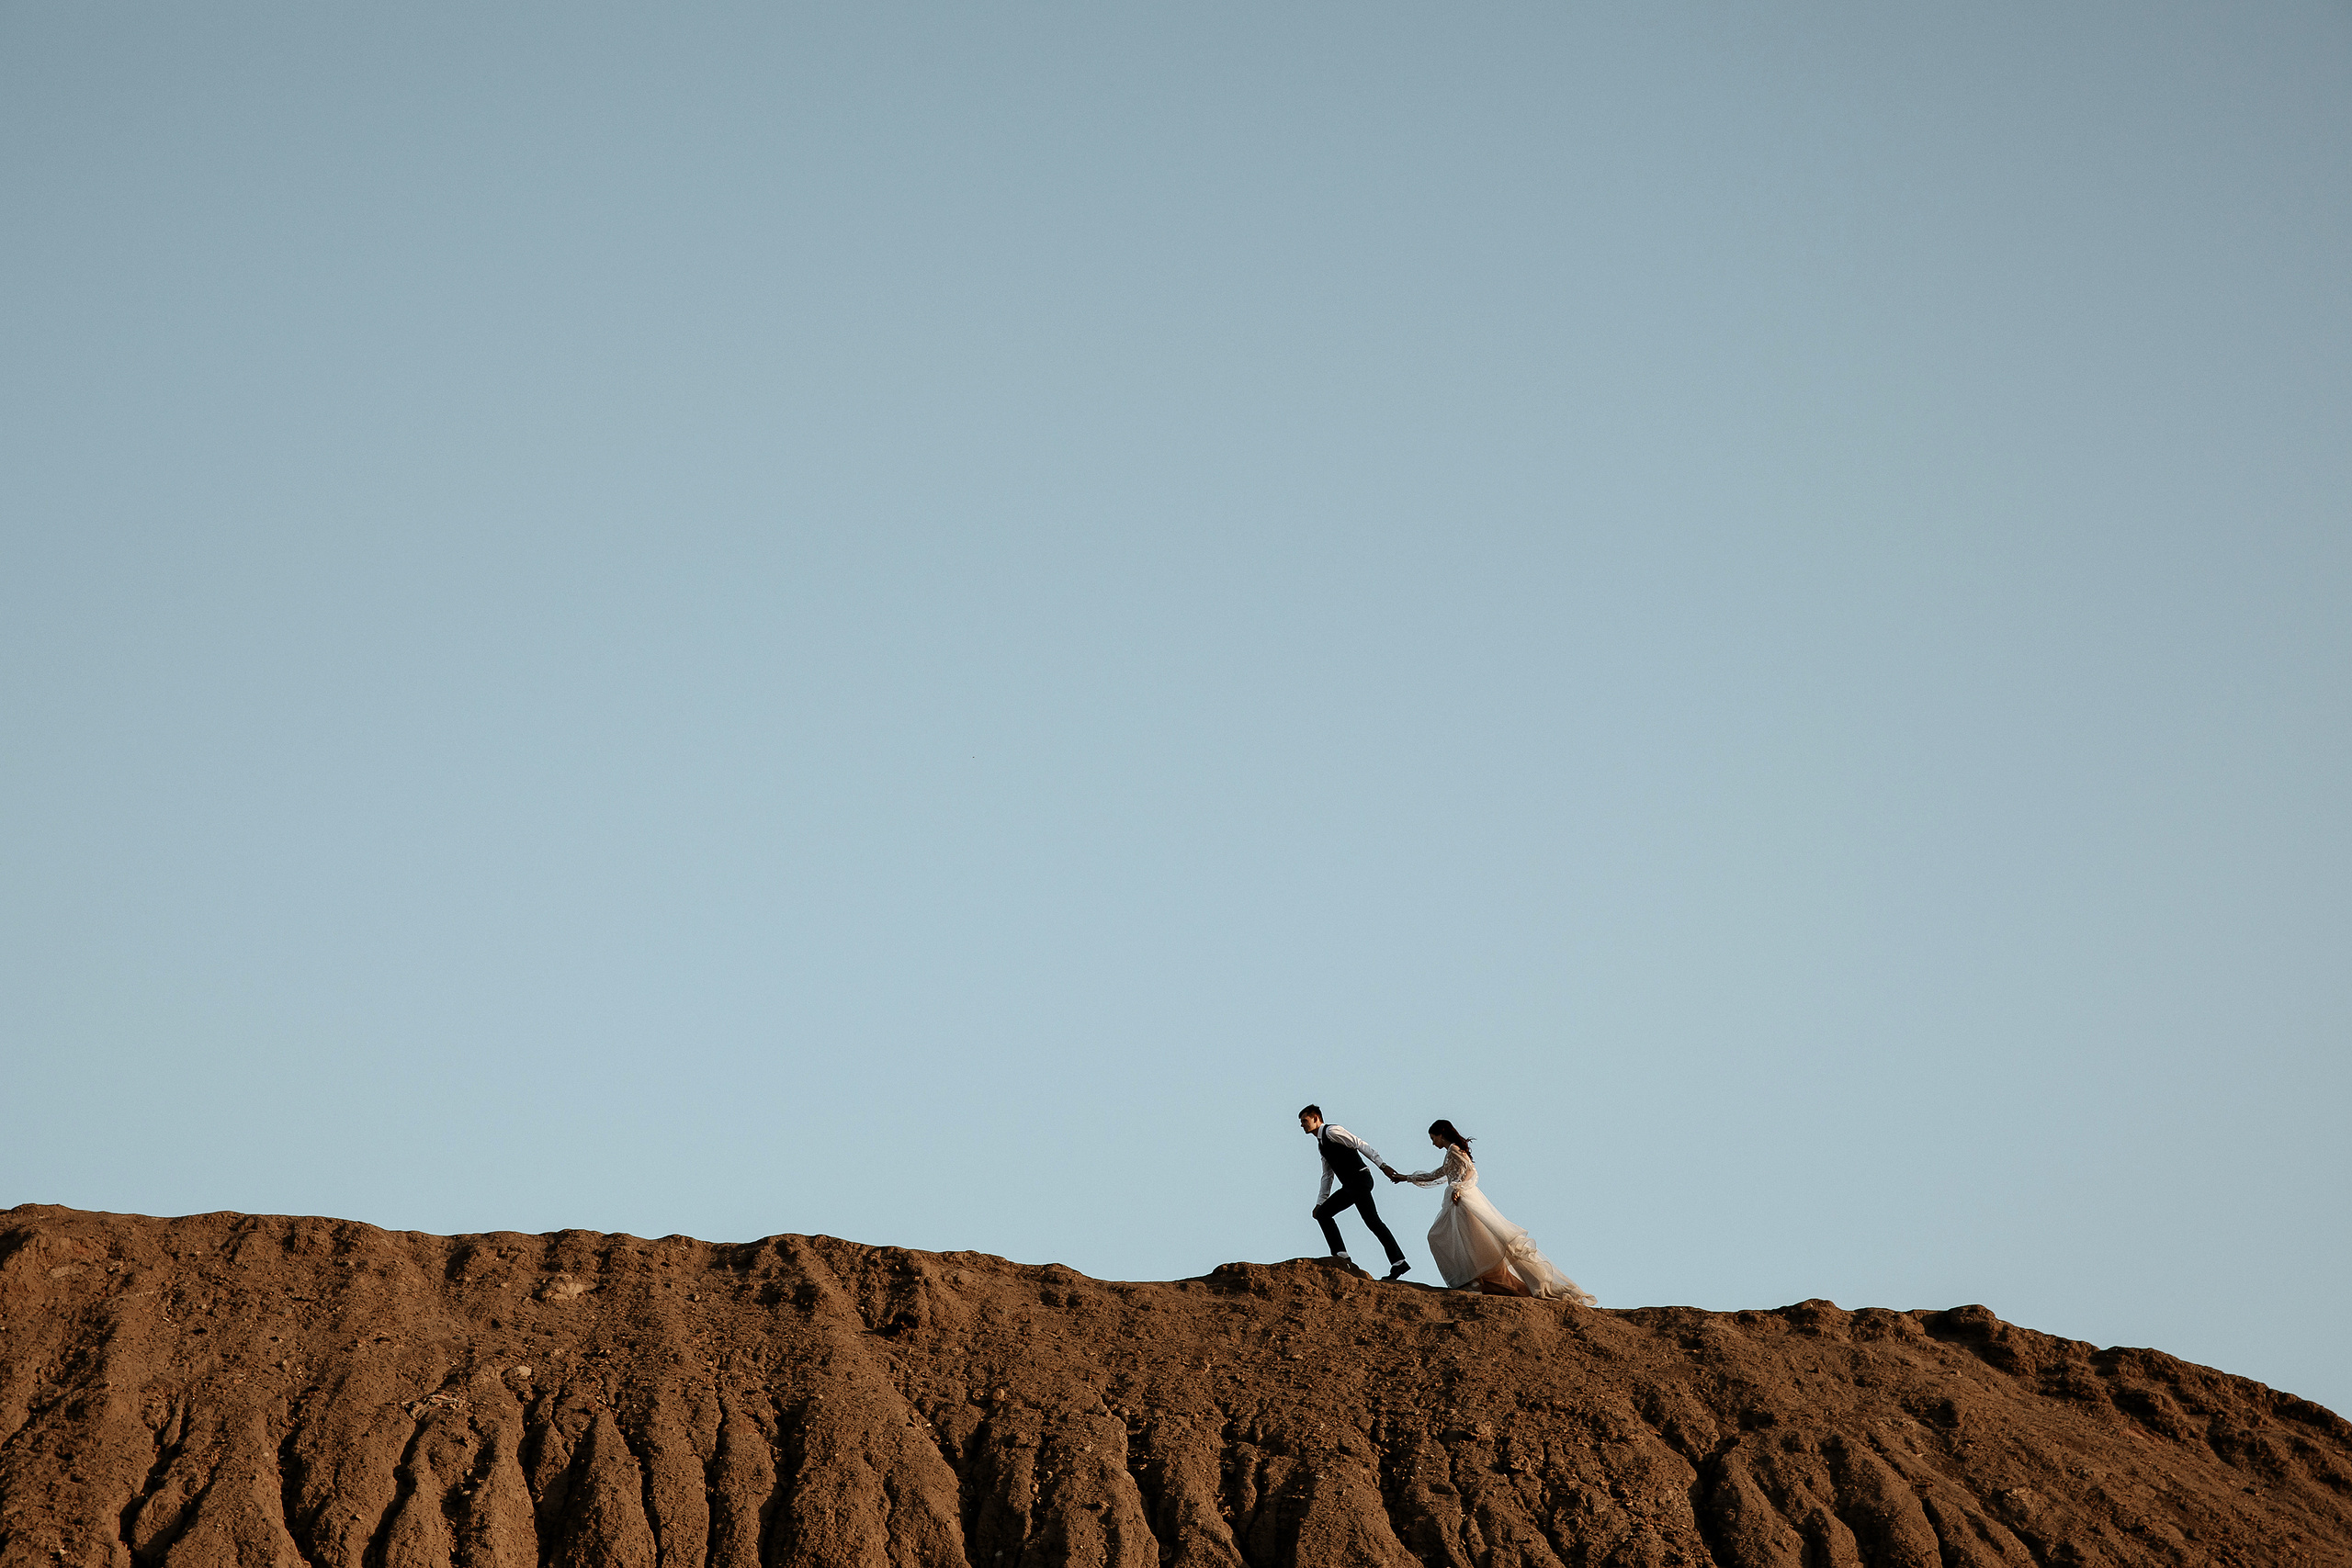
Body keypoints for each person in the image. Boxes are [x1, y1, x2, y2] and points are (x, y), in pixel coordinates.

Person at [1388, 1120, 1594, 1303]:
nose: (1433, 1143)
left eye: (1433, 1138)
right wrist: (1406, 1177)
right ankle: (1475, 1280)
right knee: (1463, 1240)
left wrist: (1458, 1189)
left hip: (1461, 1200)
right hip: (1457, 1199)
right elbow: (1437, 1174)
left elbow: (1471, 1172)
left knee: (1446, 1238)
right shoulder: (1452, 1151)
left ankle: (1472, 1281)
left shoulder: (1453, 1150)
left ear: (1441, 1134)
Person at [1298, 1105, 1411, 1280]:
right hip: (1353, 1184)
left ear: (1316, 1118)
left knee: (1325, 1215)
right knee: (1372, 1222)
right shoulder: (1322, 1145)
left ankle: (1341, 1256)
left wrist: (1383, 1166)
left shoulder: (1332, 1132)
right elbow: (1327, 1175)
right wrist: (1320, 1201)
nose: (1302, 1125)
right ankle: (1399, 1262)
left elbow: (1359, 1143)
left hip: (1359, 1180)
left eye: (1305, 1121)